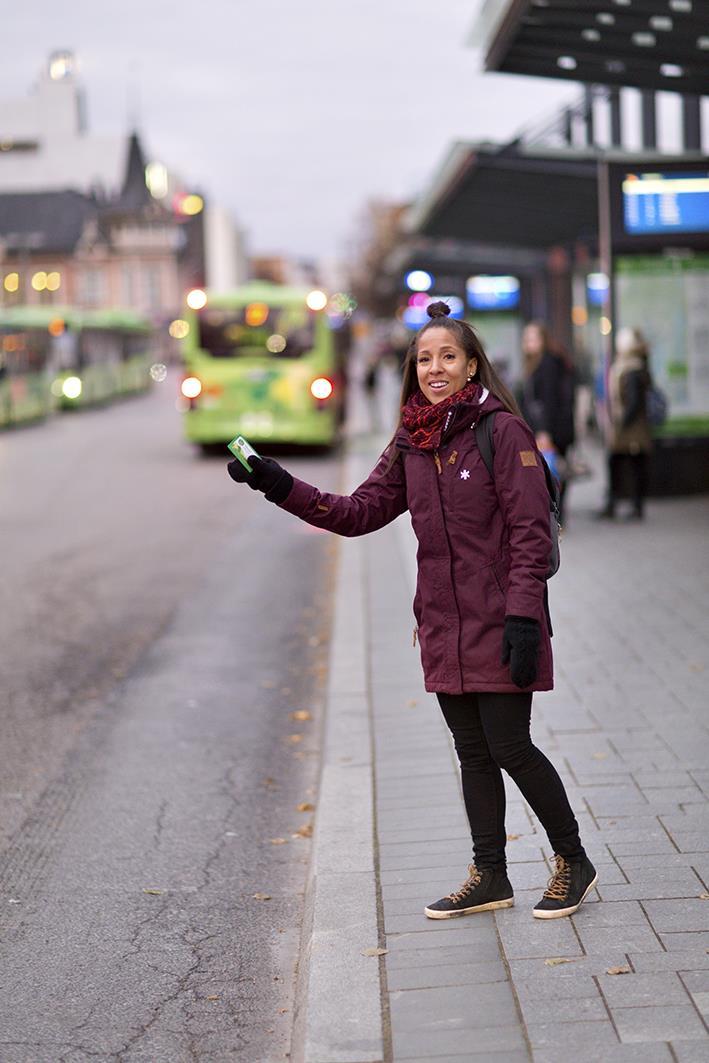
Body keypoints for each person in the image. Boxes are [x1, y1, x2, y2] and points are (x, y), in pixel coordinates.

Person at [227, 301, 597, 921]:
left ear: (472, 365)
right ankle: (490, 875)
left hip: (505, 618)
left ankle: (572, 858)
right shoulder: (412, 442)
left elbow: (532, 532)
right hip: (444, 623)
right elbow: (356, 512)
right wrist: (275, 481)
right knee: (472, 752)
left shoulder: (501, 431)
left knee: (511, 745)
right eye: (424, 359)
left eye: (448, 357)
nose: (435, 368)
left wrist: (525, 617)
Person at [518, 322, 575, 523]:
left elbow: (550, 399)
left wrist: (545, 431)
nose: (528, 343)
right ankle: (555, 514)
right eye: (526, 339)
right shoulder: (535, 363)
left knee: (553, 470)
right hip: (546, 427)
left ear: (543, 340)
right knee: (552, 470)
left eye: (533, 338)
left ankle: (557, 515)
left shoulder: (547, 363)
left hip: (551, 429)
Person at [597, 326, 653, 520]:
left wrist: (621, 423)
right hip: (630, 426)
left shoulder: (632, 368)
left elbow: (634, 400)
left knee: (620, 462)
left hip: (630, 427)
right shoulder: (635, 365)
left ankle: (621, 504)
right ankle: (627, 505)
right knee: (630, 464)